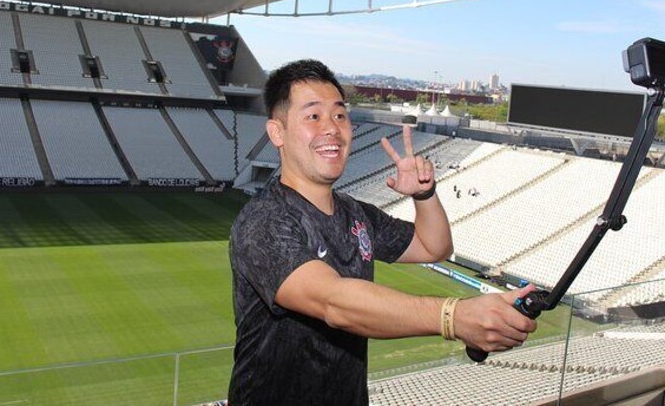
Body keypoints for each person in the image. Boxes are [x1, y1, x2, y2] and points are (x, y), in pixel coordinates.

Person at [228, 59, 537, 405]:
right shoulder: (263, 221)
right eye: (313, 116)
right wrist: (453, 316)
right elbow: (334, 303)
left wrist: (424, 194)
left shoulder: (356, 213)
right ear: (277, 133)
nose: (332, 128)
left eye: (340, 115)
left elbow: (432, 246)